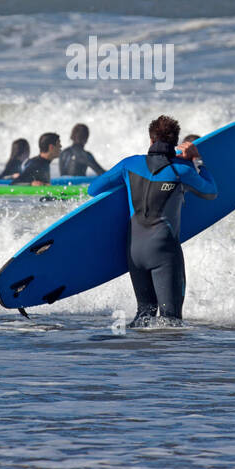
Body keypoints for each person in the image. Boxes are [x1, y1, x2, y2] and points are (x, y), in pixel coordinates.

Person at [87, 115, 217, 326]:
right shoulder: (181, 170)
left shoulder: (129, 165)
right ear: (175, 143)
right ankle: (164, 360)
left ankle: (136, 358)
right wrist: (196, 160)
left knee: (143, 316)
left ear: (151, 140)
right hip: (164, 253)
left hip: (134, 251)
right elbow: (210, 192)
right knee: (170, 320)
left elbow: (93, 189)